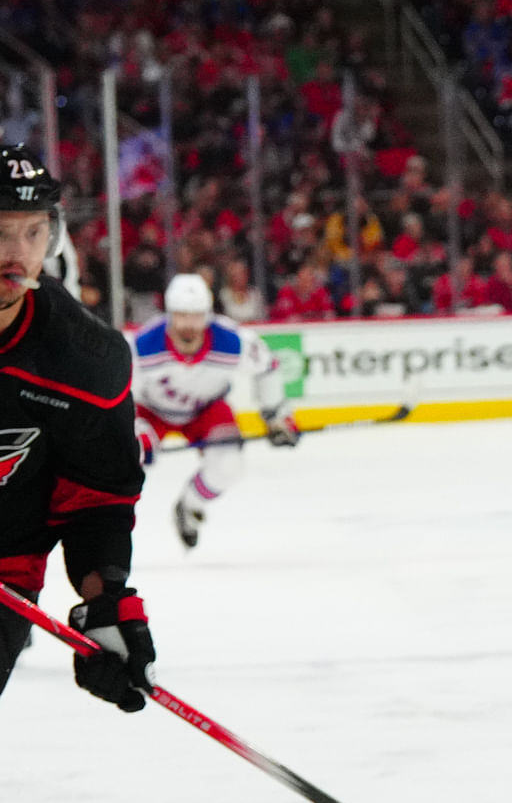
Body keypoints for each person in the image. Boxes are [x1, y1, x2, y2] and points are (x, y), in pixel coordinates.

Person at [0, 146, 154, 710]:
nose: (16, 255)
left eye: (33, 233)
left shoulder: (83, 361)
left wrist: (105, 602)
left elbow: (98, 497)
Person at [132, 273, 301, 549]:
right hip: (150, 411)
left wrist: (276, 416)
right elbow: (121, 396)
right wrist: (136, 431)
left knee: (229, 465)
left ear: (208, 315)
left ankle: (190, 506)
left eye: (196, 315)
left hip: (206, 410)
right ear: (170, 314)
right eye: (182, 315)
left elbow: (268, 368)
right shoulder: (143, 346)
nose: (189, 324)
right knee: (126, 463)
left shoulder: (233, 341)